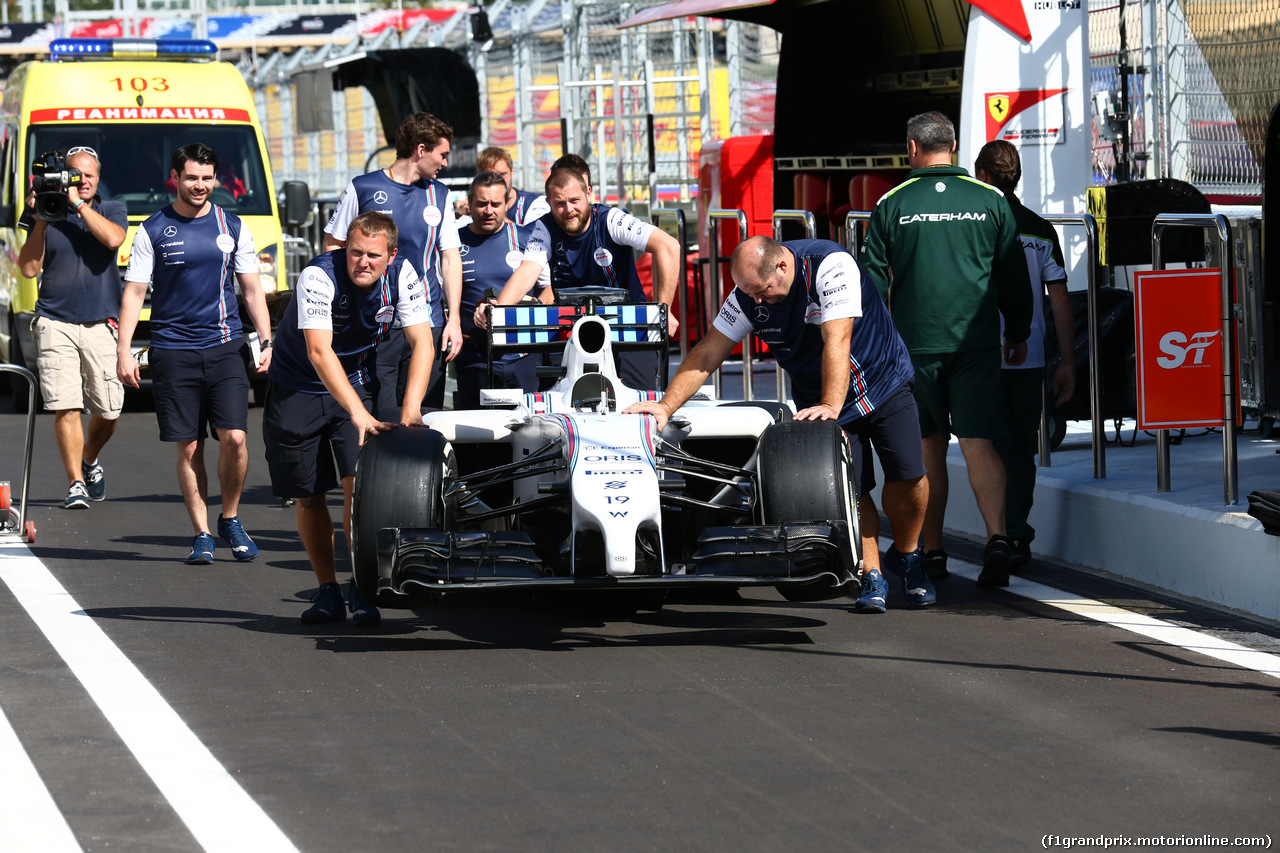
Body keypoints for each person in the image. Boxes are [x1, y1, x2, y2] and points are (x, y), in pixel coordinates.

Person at [626, 236, 932, 611]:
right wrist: (665, 406)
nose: (756, 300)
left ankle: (909, 555)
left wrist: (830, 403)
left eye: (762, 290)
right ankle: (872, 572)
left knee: (909, 476)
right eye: (748, 292)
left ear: (782, 268)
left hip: (882, 382)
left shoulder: (830, 265)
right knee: (852, 488)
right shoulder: (746, 296)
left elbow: (838, 339)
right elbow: (708, 352)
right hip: (819, 398)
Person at [861, 111, 1033, 589]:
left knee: (926, 450)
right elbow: (1014, 277)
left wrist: (870, 345)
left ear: (912, 149)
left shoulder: (891, 203)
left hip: (912, 350)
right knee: (979, 442)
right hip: (976, 343)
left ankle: (931, 553)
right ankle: (998, 538)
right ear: (953, 146)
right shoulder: (991, 200)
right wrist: (1017, 332)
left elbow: (871, 284)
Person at [264, 211, 434, 626]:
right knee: (309, 494)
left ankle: (360, 584)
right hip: (298, 387)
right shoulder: (318, 276)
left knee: (359, 489)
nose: (363, 262)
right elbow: (319, 353)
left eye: (373, 256)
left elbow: (423, 343)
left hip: (356, 380)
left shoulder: (405, 275)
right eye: (355, 252)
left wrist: (410, 407)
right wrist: (358, 413)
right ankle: (327, 590)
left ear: (391, 256)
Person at [117, 142, 274, 564]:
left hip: (225, 346)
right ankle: (202, 532)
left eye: (207, 178)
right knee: (188, 447)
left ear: (216, 179)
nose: (200, 186)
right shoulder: (152, 229)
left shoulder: (233, 225)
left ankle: (231, 517)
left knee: (235, 438)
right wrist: (123, 352)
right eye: (191, 178)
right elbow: (133, 293)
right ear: (176, 179)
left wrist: (266, 338)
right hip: (172, 349)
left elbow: (252, 288)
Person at [476, 164, 680, 391]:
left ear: (588, 193)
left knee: (640, 399)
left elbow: (669, 247)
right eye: (559, 204)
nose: (569, 209)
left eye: (575, 200)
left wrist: (665, 309)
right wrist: (498, 309)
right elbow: (527, 271)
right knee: (553, 400)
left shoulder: (611, 219)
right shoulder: (545, 227)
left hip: (629, 328)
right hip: (570, 331)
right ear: (548, 203)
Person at [974, 140, 1076, 569]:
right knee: (1021, 450)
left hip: (978, 354)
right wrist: (1068, 361)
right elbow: (1060, 303)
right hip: (1030, 358)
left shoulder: (975, 224)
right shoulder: (1039, 227)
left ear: (982, 176)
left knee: (987, 446)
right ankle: (1016, 534)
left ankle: (1001, 532)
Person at [324, 112, 461, 414]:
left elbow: (450, 258)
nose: (445, 163)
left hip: (428, 322)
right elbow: (333, 246)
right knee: (380, 418)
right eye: (442, 154)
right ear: (421, 150)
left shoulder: (440, 195)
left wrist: (453, 321)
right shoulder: (363, 188)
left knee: (424, 417)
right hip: (376, 324)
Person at [17, 146, 128, 510]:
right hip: (54, 320)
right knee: (66, 405)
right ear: (65, 175)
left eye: (89, 176)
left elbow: (113, 239)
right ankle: (75, 483)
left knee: (109, 411)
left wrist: (78, 206)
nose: (82, 181)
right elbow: (29, 269)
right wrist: (42, 219)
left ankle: (89, 458)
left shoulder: (111, 208)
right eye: (75, 175)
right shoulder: (45, 209)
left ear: (98, 179)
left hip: (101, 322)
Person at [455, 172, 551, 409]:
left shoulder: (527, 239)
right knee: (476, 438)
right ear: (470, 203)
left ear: (507, 203)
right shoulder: (453, 243)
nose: (489, 210)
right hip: (474, 358)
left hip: (523, 357)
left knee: (526, 432)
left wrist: (530, 308)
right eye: (481, 203)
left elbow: (549, 291)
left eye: (495, 204)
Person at [475, 146, 550, 225]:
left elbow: (533, 235)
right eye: (491, 177)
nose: (498, 181)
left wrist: (499, 217)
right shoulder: (473, 206)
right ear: (480, 176)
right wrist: (460, 214)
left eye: (502, 175)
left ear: (512, 172)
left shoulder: (535, 203)